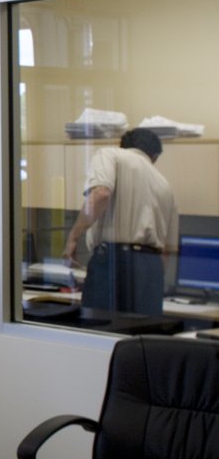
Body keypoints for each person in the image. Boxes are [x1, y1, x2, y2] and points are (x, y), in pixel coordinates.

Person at [62, 127, 178, 317]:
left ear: (122, 146)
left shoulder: (110, 155)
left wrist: (73, 237)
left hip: (114, 262)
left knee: (100, 335)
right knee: (141, 339)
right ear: (155, 156)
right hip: (152, 268)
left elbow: (101, 194)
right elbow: (168, 250)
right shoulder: (165, 185)